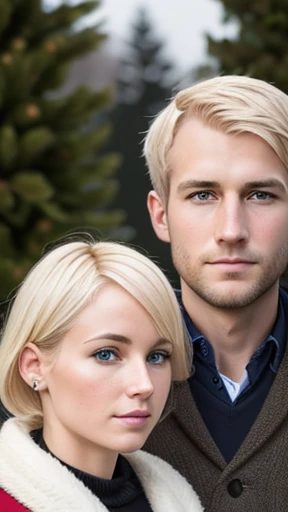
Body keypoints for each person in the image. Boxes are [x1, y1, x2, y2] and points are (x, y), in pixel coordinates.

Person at [143, 74, 288, 512]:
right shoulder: (82, 375)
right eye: (203, 194)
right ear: (162, 215)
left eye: (260, 194)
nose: (231, 231)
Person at [0, 238, 203, 512]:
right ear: (33, 366)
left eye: (157, 356)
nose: (144, 385)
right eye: (106, 354)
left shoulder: (175, 497)